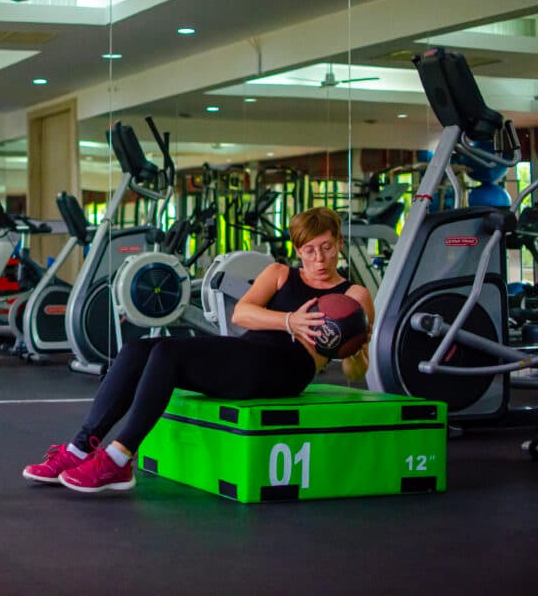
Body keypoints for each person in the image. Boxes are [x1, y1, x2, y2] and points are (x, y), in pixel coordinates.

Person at [22, 206, 374, 494]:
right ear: (298, 250)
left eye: (326, 247)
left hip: (289, 369)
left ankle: (118, 457)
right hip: (249, 353)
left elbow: (355, 374)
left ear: (339, 243)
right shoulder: (280, 273)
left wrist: (356, 351)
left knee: (168, 354)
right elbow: (242, 313)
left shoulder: (353, 296)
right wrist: (289, 322)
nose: (319, 257)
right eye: (309, 249)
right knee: (137, 350)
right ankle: (79, 448)